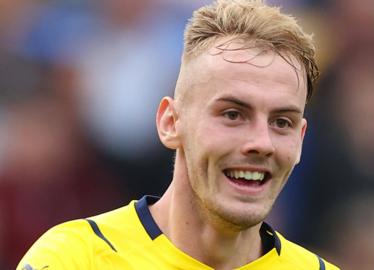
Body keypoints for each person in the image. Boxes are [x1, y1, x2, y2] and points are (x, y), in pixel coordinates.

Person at [17, 1, 340, 269]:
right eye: (232, 114)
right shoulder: (74, 259)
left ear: (300, 140)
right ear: (170, 122)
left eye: (281, 122)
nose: (261, 143)